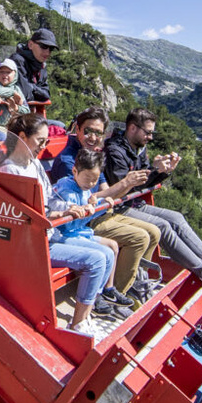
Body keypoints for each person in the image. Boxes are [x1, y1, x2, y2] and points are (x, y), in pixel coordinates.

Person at [104, 108, 202, 290]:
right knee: (162, 226)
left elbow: (143, 182)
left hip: (135, 202)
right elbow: (125, 186)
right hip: (121, 206)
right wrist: (155, 170)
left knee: (176, 218)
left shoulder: (137, 149)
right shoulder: (115, 151)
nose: (150, 137)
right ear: (132, 128)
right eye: (148, 132)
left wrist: (162, 171)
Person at [0, 115, 118, 335]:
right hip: (32, 242)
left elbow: (50, 197)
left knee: (108, 254)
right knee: (97, 260)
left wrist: (67, 207)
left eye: (45, 142)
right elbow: (26, 214)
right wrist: (58, 212)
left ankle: (88, 312)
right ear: (22, 138)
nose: (43, 147)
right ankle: (78, 322)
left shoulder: (33, 164)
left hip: (47, 234)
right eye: (40, 141)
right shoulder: (10, 171)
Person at [49, 108, 161, 302]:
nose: (93, 137)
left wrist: (122, 187)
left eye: (98, 133)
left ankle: (133, 280)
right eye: (88, 131)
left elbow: (104, 190)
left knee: (154, 231)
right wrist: (125, 184)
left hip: (98, 212)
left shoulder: (92, 156)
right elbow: (82, 198)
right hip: (84, 221)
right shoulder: (70, 161)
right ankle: (119, 291)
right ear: (77, 128)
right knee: (139, 237)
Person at [47, 148, 132, 334]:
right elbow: (69, 226)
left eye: (95, 180)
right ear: (75, 171)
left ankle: (92, 303)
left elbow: (83, 219)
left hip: (78, 232)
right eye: (88, 179)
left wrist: (100, 207)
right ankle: (79, 319)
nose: (92, 184)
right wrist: (94, 209)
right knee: (100, 257)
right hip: (64, 236)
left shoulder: (84, 188)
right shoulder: (67, 191)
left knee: (110, 251)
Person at [7, 27, 56, 107]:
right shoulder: (17, 61)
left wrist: (31, 87)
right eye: (43, 46)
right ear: (30, 45)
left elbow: (46, 94)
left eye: (51, 49)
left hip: (29, 114)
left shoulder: (41, 65)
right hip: (13, 113)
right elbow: (25, 94)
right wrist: (37, 90)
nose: (47, 52)